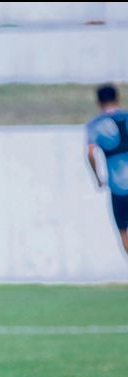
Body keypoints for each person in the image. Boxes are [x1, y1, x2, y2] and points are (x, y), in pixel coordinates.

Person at [86, 83, 128, 255]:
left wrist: (98, 177)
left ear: (98, 102)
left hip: (118, 187)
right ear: (118, 98)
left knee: (124, 232)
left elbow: (90, 152)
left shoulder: (95, 125)